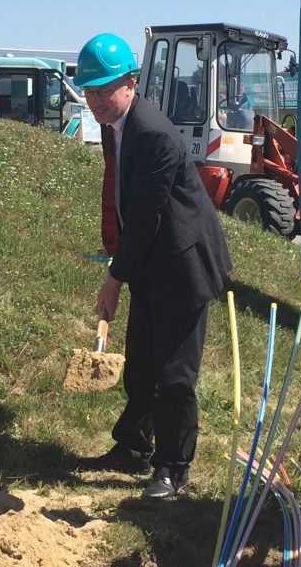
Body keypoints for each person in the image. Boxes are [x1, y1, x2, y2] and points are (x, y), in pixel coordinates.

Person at [73, 33, 231, 499]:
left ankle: (172, 467)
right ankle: (134, 446)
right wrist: (125, 269)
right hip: (149, 260)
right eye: (90, 90)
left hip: (184, 266)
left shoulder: (154, 134)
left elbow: (146, 217)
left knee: (175, 374)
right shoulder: (115, 124)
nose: (96, 100)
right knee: (141, 362)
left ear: (130, 82)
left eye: (105, 89)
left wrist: (114, 278)